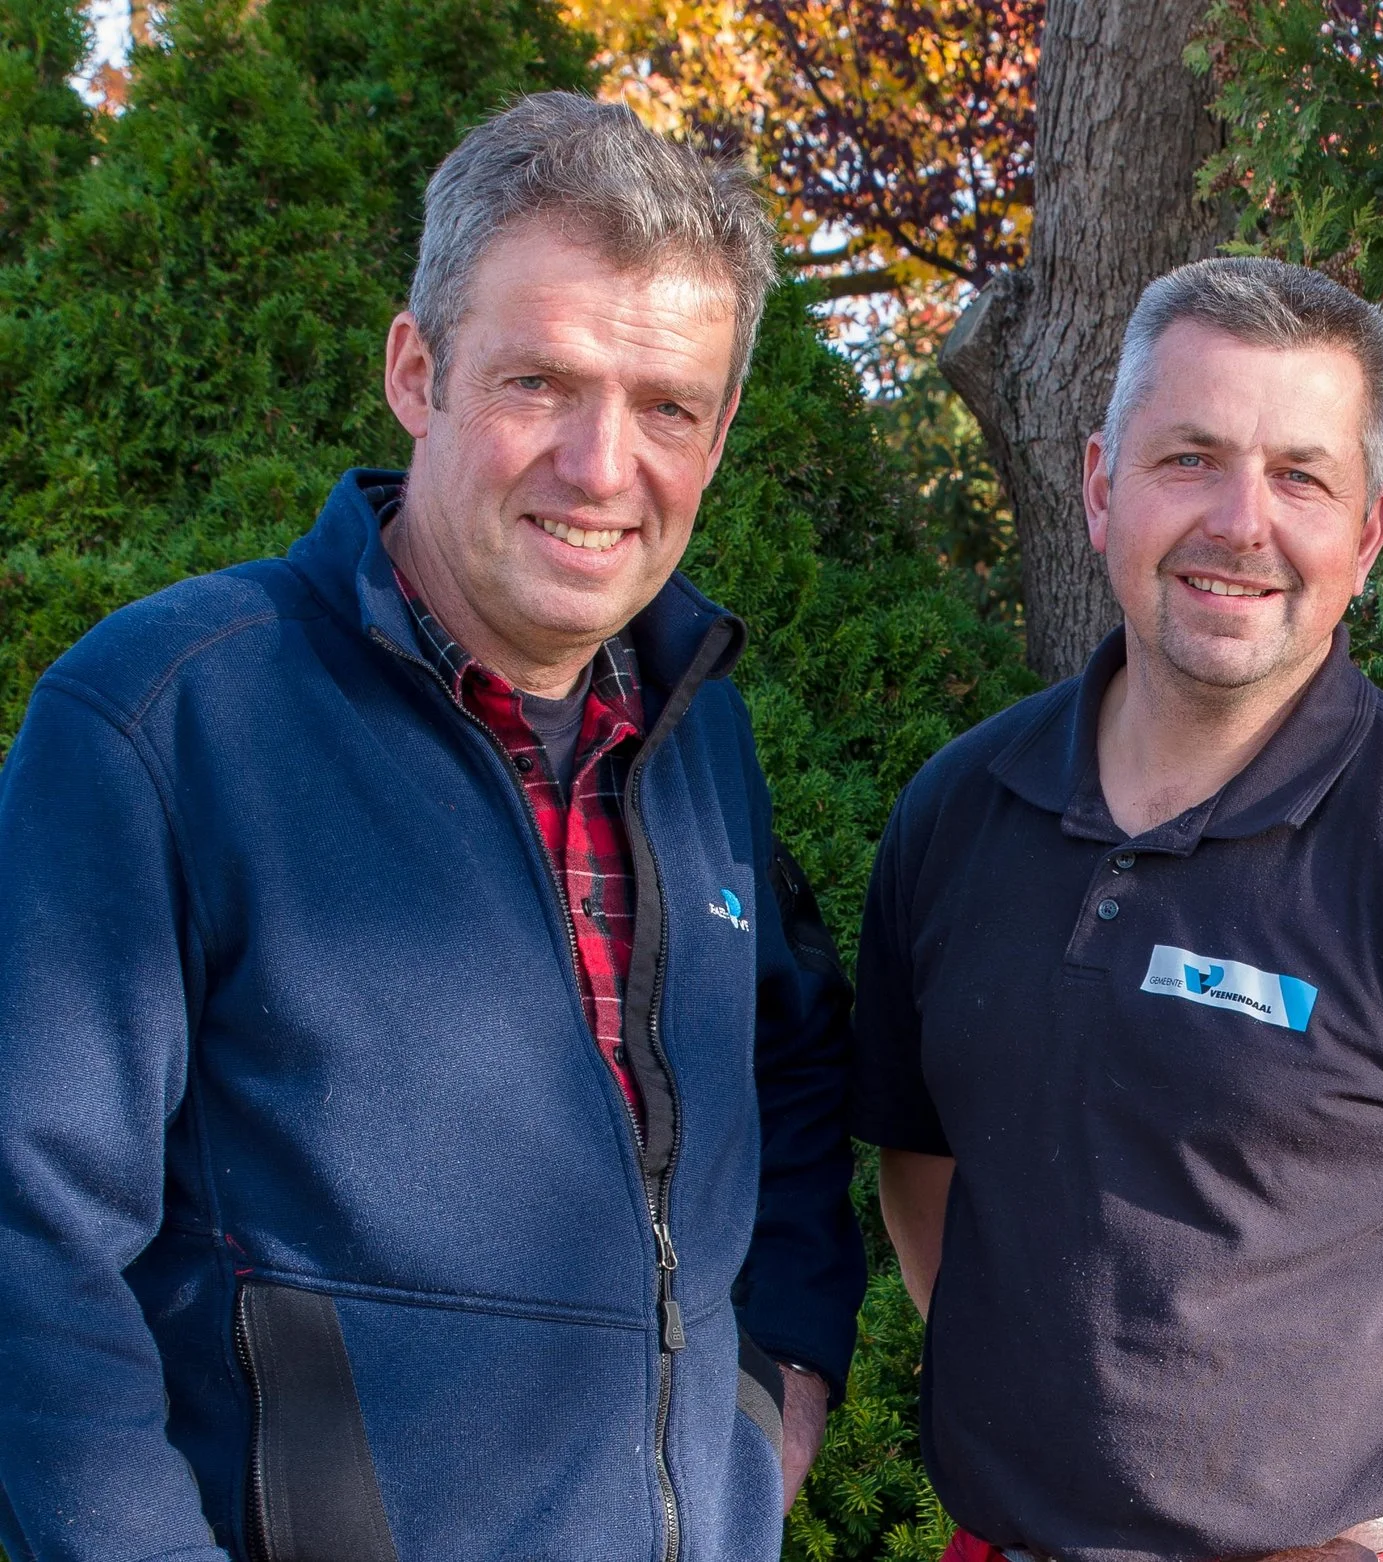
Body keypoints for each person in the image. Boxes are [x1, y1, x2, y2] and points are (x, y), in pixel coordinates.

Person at [0, 94, 863, 1561]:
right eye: (541, 382)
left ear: (718, 433)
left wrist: (772, 1385)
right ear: (418, 371)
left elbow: (786, 1069)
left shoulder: (694, 736)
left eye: (667, 406)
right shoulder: (168, 720)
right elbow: (31, 1240)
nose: (602, 464)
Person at [850, 257, 1383, 1562]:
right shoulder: (959, 813)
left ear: (1370, 531)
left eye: (1301, 476)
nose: (1243, 523)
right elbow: (927, 1168)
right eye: (1191, 458)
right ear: (1099, 486)